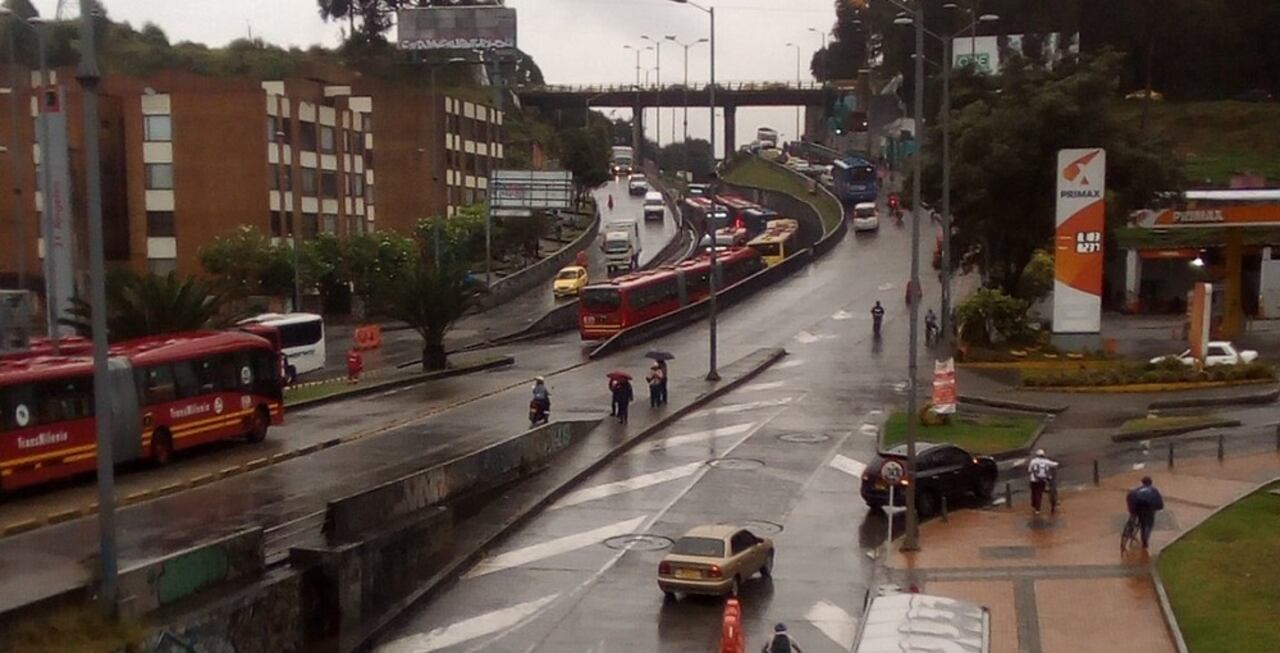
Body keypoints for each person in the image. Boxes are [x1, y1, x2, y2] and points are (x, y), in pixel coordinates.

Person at [1126, 476, 1165, 549]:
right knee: (1148, 524)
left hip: (1135, 504)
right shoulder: (1153, 490)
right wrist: (1158, 507)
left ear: (1142, 483)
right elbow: (1159, 503)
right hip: (1147, 508)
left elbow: (1130, 497)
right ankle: (1145, 539)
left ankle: (1130, 526)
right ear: (1151, 483)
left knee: (1135, 515)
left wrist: (1131, 510)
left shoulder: (1137, 489)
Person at [1027, 449, 1059, 515]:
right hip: (1042, 480)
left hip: (1033, 480)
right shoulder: (1046, 461)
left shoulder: (1033, 461)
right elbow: (1054, 464)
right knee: (1039, 494)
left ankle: (1034, 504)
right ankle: (1037, 509)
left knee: (1033, 492)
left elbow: (1029, 470)